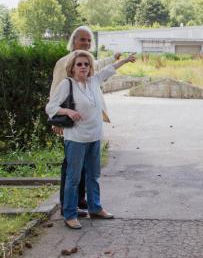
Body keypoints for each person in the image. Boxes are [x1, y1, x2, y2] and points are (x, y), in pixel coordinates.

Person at [46, 50, 136, 229]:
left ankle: (95, 208)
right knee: (73, 178)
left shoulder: (93, 81)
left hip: (95, 137)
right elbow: (51, 107)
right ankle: (70, 214)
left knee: (93, 175)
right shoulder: (67, 84)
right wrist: (68, 111)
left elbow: (109, 69)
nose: (83, 67)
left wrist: (125, 61)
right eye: (79, 64)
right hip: (76, 139)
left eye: (86, 64)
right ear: (72, 67)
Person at [50, 26, 120, 217]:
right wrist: (57, 121)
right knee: (71, 169)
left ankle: (83, 203)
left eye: (89, 41)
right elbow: (55, 91)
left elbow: (99, 66)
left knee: (86, 169)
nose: (87, 43)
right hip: (72, 125)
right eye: (83, 40)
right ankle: (67, 207)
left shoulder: (88, 61)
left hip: (90, 128)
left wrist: (115, 59)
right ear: (73, 41)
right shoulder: (64, 63)